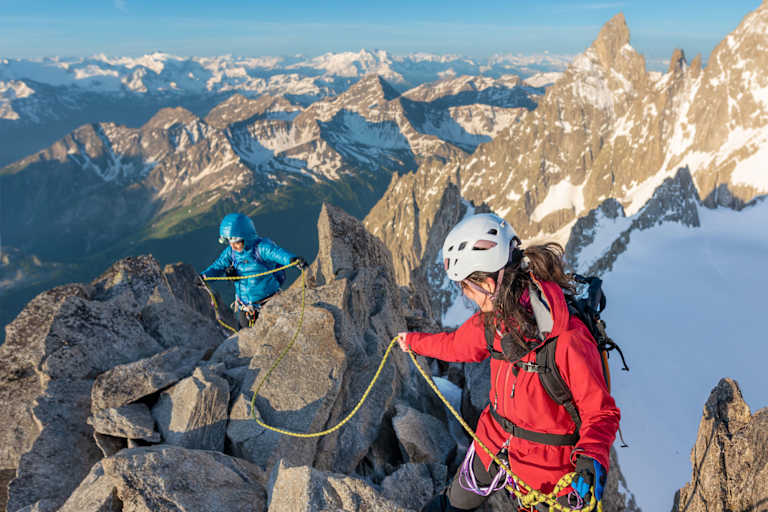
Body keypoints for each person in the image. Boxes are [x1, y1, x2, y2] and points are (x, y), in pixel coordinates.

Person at [396, 213, 620, 512]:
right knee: (453, 504)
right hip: (494, 444)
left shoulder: (567, 338)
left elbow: (600, 412)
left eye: (466, 288)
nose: (467, 296)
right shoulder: (493, 320)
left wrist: (589, 464)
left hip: (550, 479)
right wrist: (412, 342)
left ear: (488, 283)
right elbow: (455, 346)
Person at [201, 213, 308, 329]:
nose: (233, 246)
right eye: (229, 242)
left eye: (236, 242)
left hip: (268, 304)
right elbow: (218, 266)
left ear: (246, 237)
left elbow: (277, 253)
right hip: (245, 307)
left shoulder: (261, 248)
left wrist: (293, 260)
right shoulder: (230, 253)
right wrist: (204, 277)